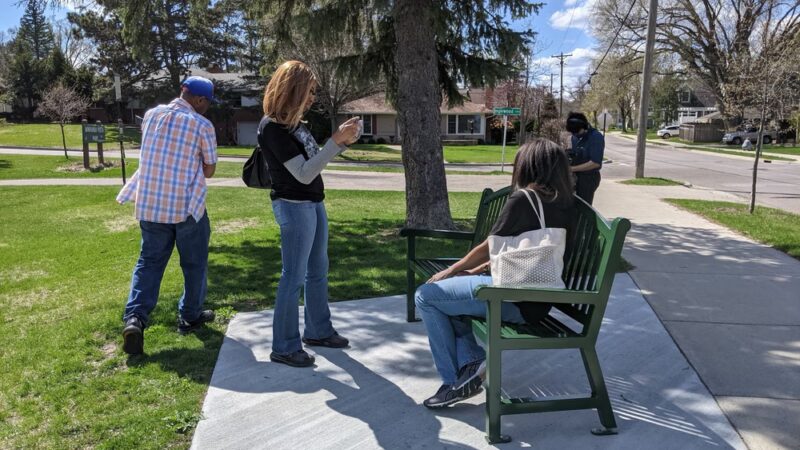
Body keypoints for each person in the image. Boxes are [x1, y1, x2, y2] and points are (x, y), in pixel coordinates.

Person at [415, 138, 577, 408]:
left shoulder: (524, 199)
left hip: (512, 297)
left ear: (528, 165)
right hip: (538, 302)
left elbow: (489, 246)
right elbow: (519, 252)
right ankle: (471, 366)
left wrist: (453, 269)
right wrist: (474, 271)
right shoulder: (566, 203)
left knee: (426, 296)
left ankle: (452, 381)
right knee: (450, 302)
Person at [259, 60, 360, 368]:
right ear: (294, 90)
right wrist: (334, 142)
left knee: (318, 271)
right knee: (293, 277)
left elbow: (314, 161)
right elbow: (302, 174)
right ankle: (285, 346)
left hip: (313, 204)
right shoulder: (273, 129)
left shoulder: (294, 126)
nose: (313, 97)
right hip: (294, 206)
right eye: (310, 91)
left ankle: (318, 331)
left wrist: (340, 145)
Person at [117, 76, 219, 355]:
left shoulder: (151, 115)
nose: (208, 107)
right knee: (194, 263)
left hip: (150, 203)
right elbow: (209, 169)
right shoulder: (201, 125)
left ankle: (135, 319)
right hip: (186, 206)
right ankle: (190, 315)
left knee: (148, 263)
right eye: (208, 102)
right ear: (199, 100)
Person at [566, 112, 604, 204]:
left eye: (577, 132)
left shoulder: (596, 137)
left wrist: (571, 169)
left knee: (583, 206)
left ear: (584, 127)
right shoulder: (574, 136)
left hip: (588, 178)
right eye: (573, 133)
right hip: (574, 176)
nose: (575, 135)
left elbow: (595, 163)